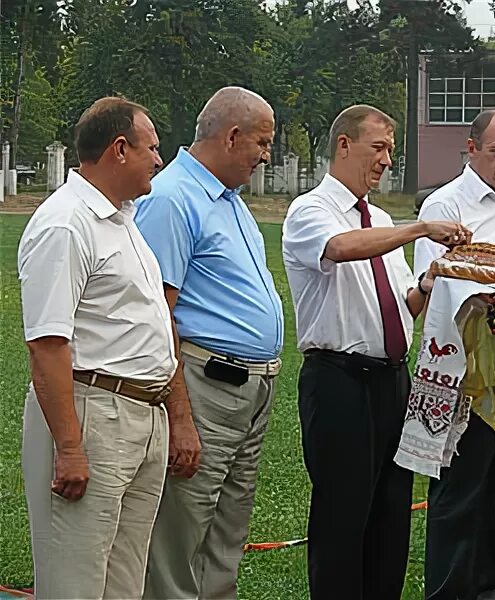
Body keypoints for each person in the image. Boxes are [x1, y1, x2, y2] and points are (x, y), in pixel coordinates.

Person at [282, 104, 469, 600]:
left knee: (391, 513)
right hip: (340, 379)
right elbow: (340, 248)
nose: (388, 159)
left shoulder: (380, 219)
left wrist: (430, 280)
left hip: (391, 380)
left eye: (392, 149)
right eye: (379, 147)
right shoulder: (311, 210)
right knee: (343, 517)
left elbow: (403, 305)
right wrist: (421, 228)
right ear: (344, 145)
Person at [18, 97, 174, 599]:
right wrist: (68, 447)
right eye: (152, 148)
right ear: (119, 149)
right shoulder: (66, 223)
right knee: (76, 584)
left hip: (141, 416)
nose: (159, 159)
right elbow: (47, 345)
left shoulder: (122, 219)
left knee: (123, 584)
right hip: (94, 414)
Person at [134, 86, 284, 599]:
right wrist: (179, 417)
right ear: (232, 135)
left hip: (250, 391)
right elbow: (159, 317)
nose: (266, 155)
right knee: (181, 534)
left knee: (226, 534)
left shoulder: (232, 201)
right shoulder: (172, 198)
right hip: (205, 387)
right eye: (261, 143)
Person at [414, 109, 495, 600]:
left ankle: (482, 590)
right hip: (464, 371)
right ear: (471, 148)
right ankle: (448, 593)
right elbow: (436, 293)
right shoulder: (447, 207)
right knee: (459, 492)